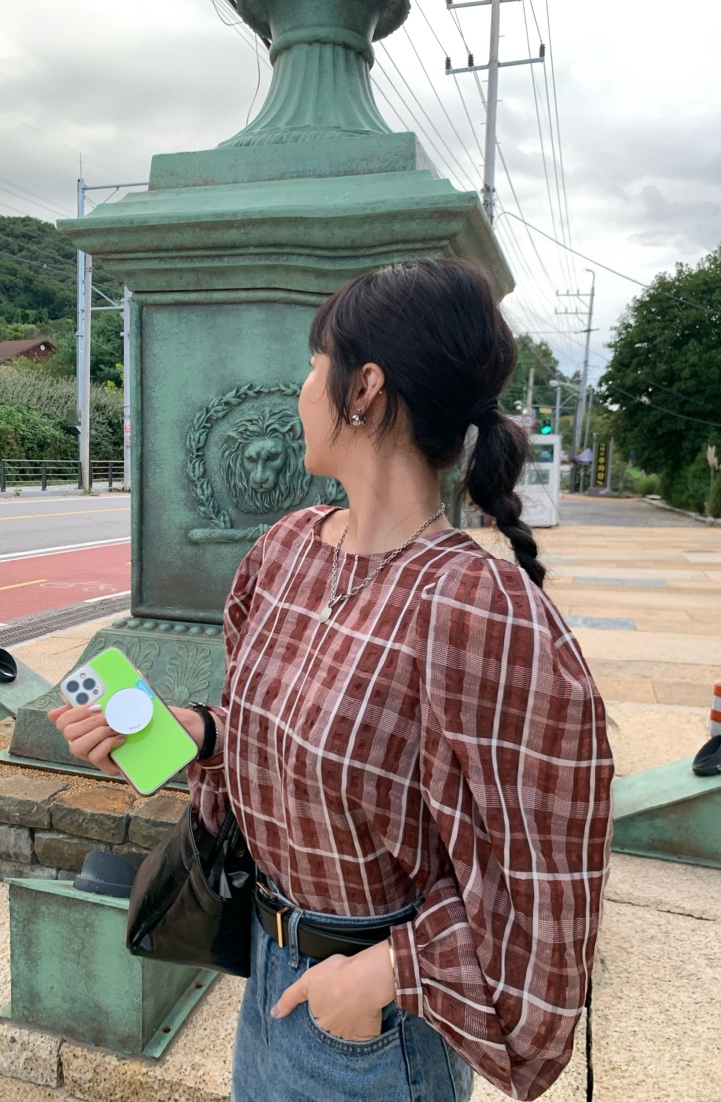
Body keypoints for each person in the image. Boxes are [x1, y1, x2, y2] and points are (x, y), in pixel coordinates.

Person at [51, 258, 614, 1102]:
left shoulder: (474, 605)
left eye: (316, 367)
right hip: (269, 982)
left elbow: (547, 875)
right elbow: (269, 731)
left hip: (371, 1027)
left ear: (366, 389)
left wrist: (390, 974)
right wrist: (187, 733)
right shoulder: (287, 550)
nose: (302, 389)